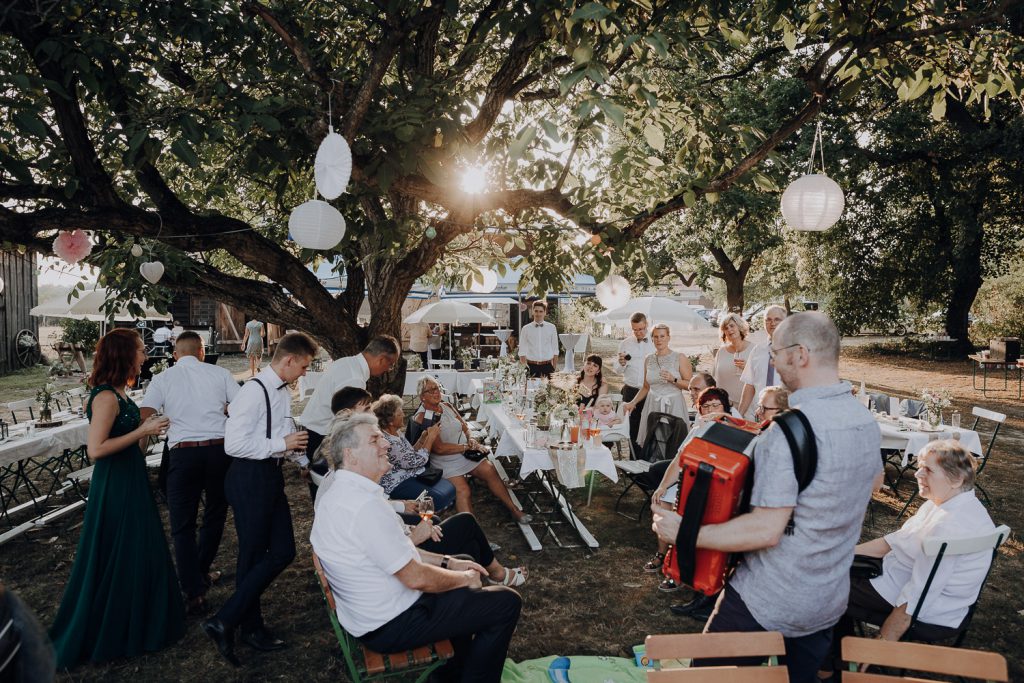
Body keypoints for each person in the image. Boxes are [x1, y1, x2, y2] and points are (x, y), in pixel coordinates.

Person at [652, 312, 883, 683]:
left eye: (775, 353)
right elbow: (870, 483)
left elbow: (765, 530)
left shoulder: (786, 432)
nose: (772, 362)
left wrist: (684, 532)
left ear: (800, 354)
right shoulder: (865, 421)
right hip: (827, 599)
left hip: (768, 597)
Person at [310, 412, 522, 682]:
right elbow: (415, 577)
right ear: (350, 455)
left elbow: (398, 550)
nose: (385, 444)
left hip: (374, 612)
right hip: (391, 624)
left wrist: (450, 563)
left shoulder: (345, 493)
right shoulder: (364, 506)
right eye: (375, 440)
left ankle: (452, 672)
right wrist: (464, 578)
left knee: (462, 559)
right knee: (506, 603)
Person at [49, 329, 183, 668]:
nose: (144, 355)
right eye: (140, 350)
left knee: (139, 547)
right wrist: (141, 430)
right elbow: (96, 450)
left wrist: (148, 430)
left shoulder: (122, 392)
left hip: (132, 475)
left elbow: (132, 443)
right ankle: (113, 627)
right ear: (124, 354)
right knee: (120, 548)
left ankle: (142, 620)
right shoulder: (106, 397)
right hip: (115, 483)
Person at [201, 332, 317, 667]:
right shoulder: (253, 391)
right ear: (289, 360)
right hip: (249, 477)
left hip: (269, 474)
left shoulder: (281, 391)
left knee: (283, 551)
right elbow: (234, 444)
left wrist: (305, 463)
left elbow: (284, 434)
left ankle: (227, 620)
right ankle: (247, 627)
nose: (305, 373)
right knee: (252, 556)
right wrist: (281, 445)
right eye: (304, 366)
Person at [832, 440, 994, 654]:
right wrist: (840, 555)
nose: (917, 474)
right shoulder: (945, 503)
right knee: (830, 570)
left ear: (956, 479)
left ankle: (835, 660)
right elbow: (893, 542)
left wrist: (883, 643)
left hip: (928, 610)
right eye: (919, 466)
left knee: (823, 587)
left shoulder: (950, 526)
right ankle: (839, 653)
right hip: (894, 577)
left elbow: (919, 595)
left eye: (928, 470)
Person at [140, 331, 240, 615]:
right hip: (219, 452)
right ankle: (201, 571)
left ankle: (194, 591)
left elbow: (145, 414)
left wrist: (165, 421)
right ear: (202, 352)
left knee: (182, 524)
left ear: (175, 355)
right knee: (215, 513)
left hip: (183, 453)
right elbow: (243, 406)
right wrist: (225, 411)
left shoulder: (162, 378)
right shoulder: (220, 373)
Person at [642, 387, 736, 595]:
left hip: (717, 488)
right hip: (689, 480)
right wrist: (663, 485)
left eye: (716, 405)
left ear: (726, 407)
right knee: (662, 502)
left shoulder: (734, 428)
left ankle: (679, 570)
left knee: (686, 514)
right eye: (706, 406)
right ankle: (662, 554)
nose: (711, 410)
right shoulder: (698, 429)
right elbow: (679, 460)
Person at [413, 377, 531, 524]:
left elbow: (465, 427)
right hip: (444, 461)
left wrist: (471, 439)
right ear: (422, 397)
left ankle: (514, 510)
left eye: (436, 388)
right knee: (464, 490)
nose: (435, 392)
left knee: (489, 469)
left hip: (464, 453)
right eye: (430, 391)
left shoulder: (447, 406)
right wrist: (466, 447)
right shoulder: (423, 416)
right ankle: (472, 531)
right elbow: (439, 449)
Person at [300, 336, 401, 460]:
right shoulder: (354, 378)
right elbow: (350, 422)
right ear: (381, 359)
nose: (388, 370)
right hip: (320, 436)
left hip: (314, 431)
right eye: (390, 365)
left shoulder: (347, 362)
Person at [373, 394, 457, 511]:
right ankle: (426, 517)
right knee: (439, 497)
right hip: (398, 483)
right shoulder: (388, 441)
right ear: (390, 421)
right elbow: (417, 461)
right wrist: (431, 438)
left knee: (449, 488)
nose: (403, 415)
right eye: (400, 414)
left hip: (411, 474)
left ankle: (431, 514)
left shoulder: (396, 432)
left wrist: (422, 439)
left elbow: (410, 454)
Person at [624, 323, 692, 449]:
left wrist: (673, 379)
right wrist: (633, 402)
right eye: (655, 337)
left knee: (674, 443)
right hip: (653, 404)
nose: (659, 340)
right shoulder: (648, 359)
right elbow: (646, 387)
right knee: (653, 444)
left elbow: (690, 385)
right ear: (652, 339)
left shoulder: (679, 357)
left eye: (662, 336)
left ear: (668, 337)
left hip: (673, 404)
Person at [736, 305, 788, 419]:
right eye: (768, 320)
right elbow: (749, 384)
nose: (772, 323)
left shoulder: (795, 350)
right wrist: (739, 415)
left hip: (786, 415)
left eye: (777, 319)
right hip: (760, 415)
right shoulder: (757, 350)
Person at [617, 312, 651, 456]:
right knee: (632, 426)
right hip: (630, 390)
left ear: (646, 324)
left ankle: (647, 459)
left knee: (649, 425)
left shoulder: (655, 342)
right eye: (635, 330)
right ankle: (634, 459)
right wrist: (622, 363)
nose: (638, 333)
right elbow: (617, 370)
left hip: (649, 391)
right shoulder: (625, 343)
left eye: (641, 329)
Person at [711, 313, 753, 409]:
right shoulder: (721, 351)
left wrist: (747, 369)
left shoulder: (754, 349)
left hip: (748, 406)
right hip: (724, 405)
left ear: (739, 327)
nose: (729, 329)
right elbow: (714, 377)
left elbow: (762, 377)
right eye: (726, 328)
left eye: (732, 326)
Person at [518, 300, 558, 378]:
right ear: (533, 312)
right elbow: (522, 352)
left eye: (541, 311)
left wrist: (554, 368)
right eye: (536, 311)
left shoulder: (552, 328)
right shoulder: (525, 329)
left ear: (545, 312)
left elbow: (555, 350)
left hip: (547, 367)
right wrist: (525, 369)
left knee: (549, 386)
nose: (538, 314)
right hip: (531, 367)